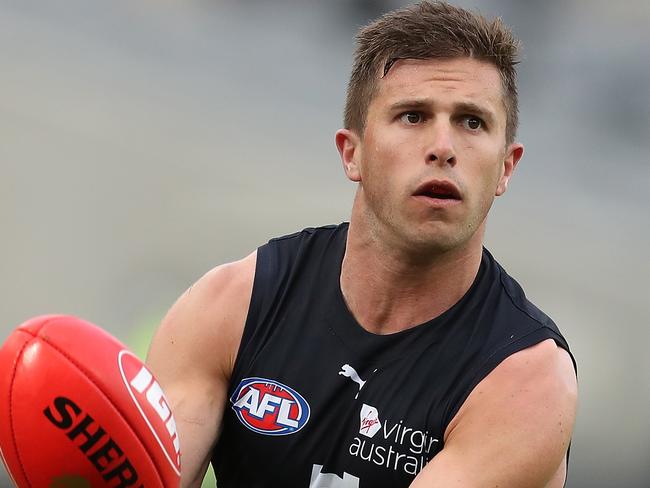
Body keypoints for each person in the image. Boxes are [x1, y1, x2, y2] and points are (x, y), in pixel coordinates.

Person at [146, 2, 578, 487]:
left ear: (505, 167)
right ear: (353, 153)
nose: (443, 147)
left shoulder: (525, 378)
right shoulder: (233, 305)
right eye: (413, 116)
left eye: (472, 122)